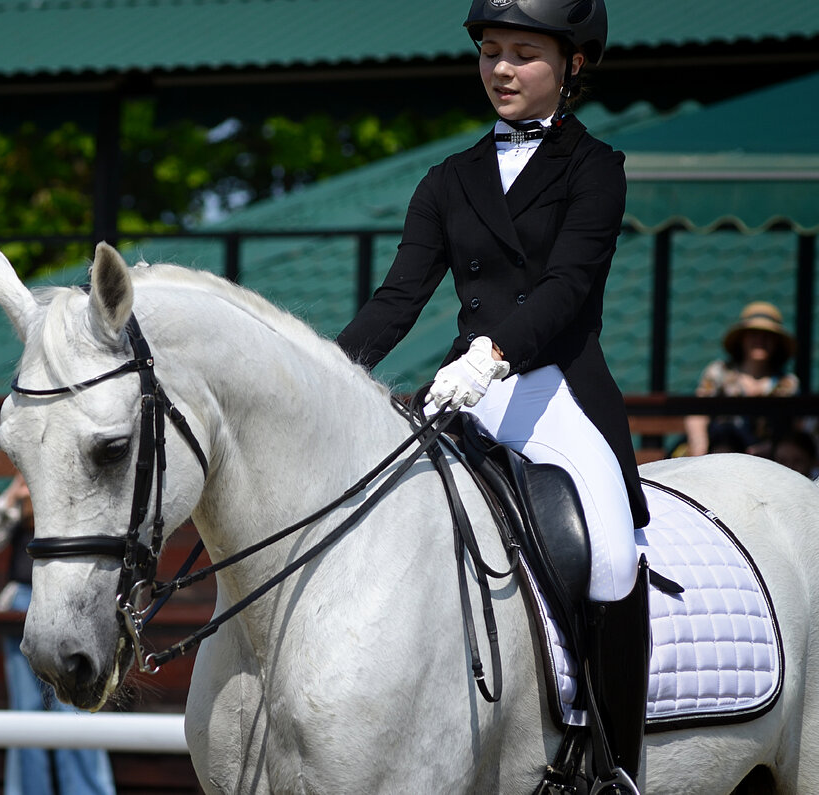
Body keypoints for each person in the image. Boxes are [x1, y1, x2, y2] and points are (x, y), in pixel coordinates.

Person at [335, 1, 649, 791]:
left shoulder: (596, 168)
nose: (501, 70)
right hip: (462, 393)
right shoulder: (451, 178)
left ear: (573, 65)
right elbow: (397, 298)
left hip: (554, 390)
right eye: (491, 52)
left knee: (611, 554)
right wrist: (329, 371)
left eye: (523, 54)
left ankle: (615, 761)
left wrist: (495, 352)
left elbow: (567, 285)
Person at [0, 473, 117, 795]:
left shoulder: (79, 491)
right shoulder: (23, 495)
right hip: (22, 602)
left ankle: (85, 791)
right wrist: (14, 492)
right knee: (26, 711)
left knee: (74, 707)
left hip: (68, 601)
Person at [684, 301, 799, 458]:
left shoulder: (787, 383)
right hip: (718, 451)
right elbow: (697, 412)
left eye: (767, 336)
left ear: (776, 343)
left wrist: (770, 447)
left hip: (767, 459)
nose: (760, 341)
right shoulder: (719, 372)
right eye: (754, 335)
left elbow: (794, 428)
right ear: (742, 339)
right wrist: (700, 445)